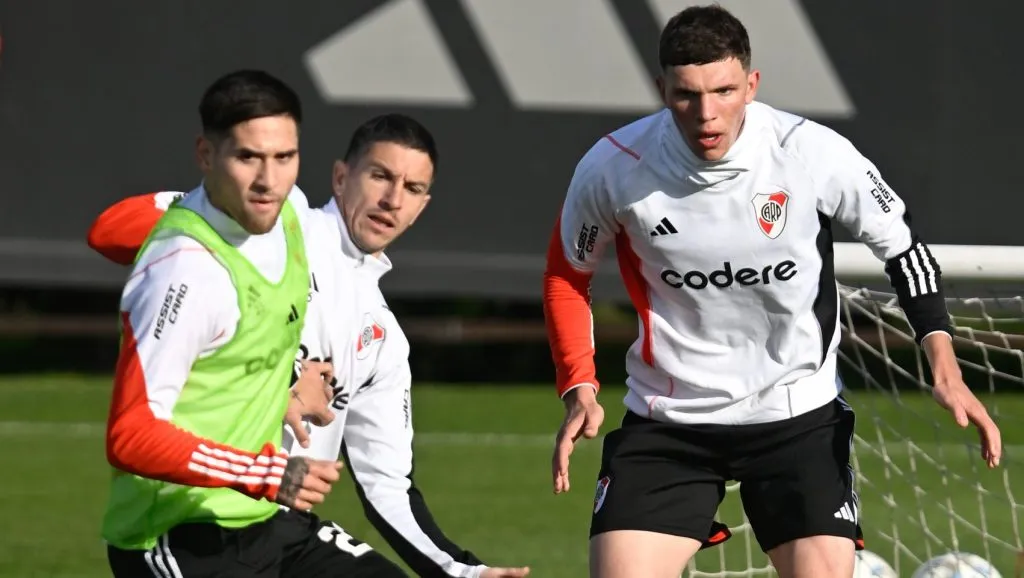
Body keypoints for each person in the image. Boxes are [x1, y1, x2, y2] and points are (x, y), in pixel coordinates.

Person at [542, 5, 1003, 578]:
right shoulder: (614, 167)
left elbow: (904, 249)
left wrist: (944, 364)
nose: (706, 114)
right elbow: (567, 274)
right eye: (686, 95)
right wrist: (578, 385)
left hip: (796, 412)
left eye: (724, 91)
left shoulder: (811, 152)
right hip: (669, 417)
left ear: (752, 84)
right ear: (662, 90)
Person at [88, 114, 531, 578]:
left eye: (413, 188)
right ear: (341, 177)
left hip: (281, 526)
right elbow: (109, 232)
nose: (393, 200)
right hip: (189, 521)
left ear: (422, 206)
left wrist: (464, 573)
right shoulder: (278, 217)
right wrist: (279, 386)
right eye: (380, 176)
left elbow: (387, 487)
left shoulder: (383, 341)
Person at [100, 69, 395, 578]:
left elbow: (236, 353)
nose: (268, 180)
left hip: (265, 520)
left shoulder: (287, 215)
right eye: (247, 158)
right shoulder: (185, 270)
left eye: (284, 157)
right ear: (205, 155)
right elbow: (131, 434)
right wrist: (264, 472)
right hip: (178, 535)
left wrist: (283, 390)